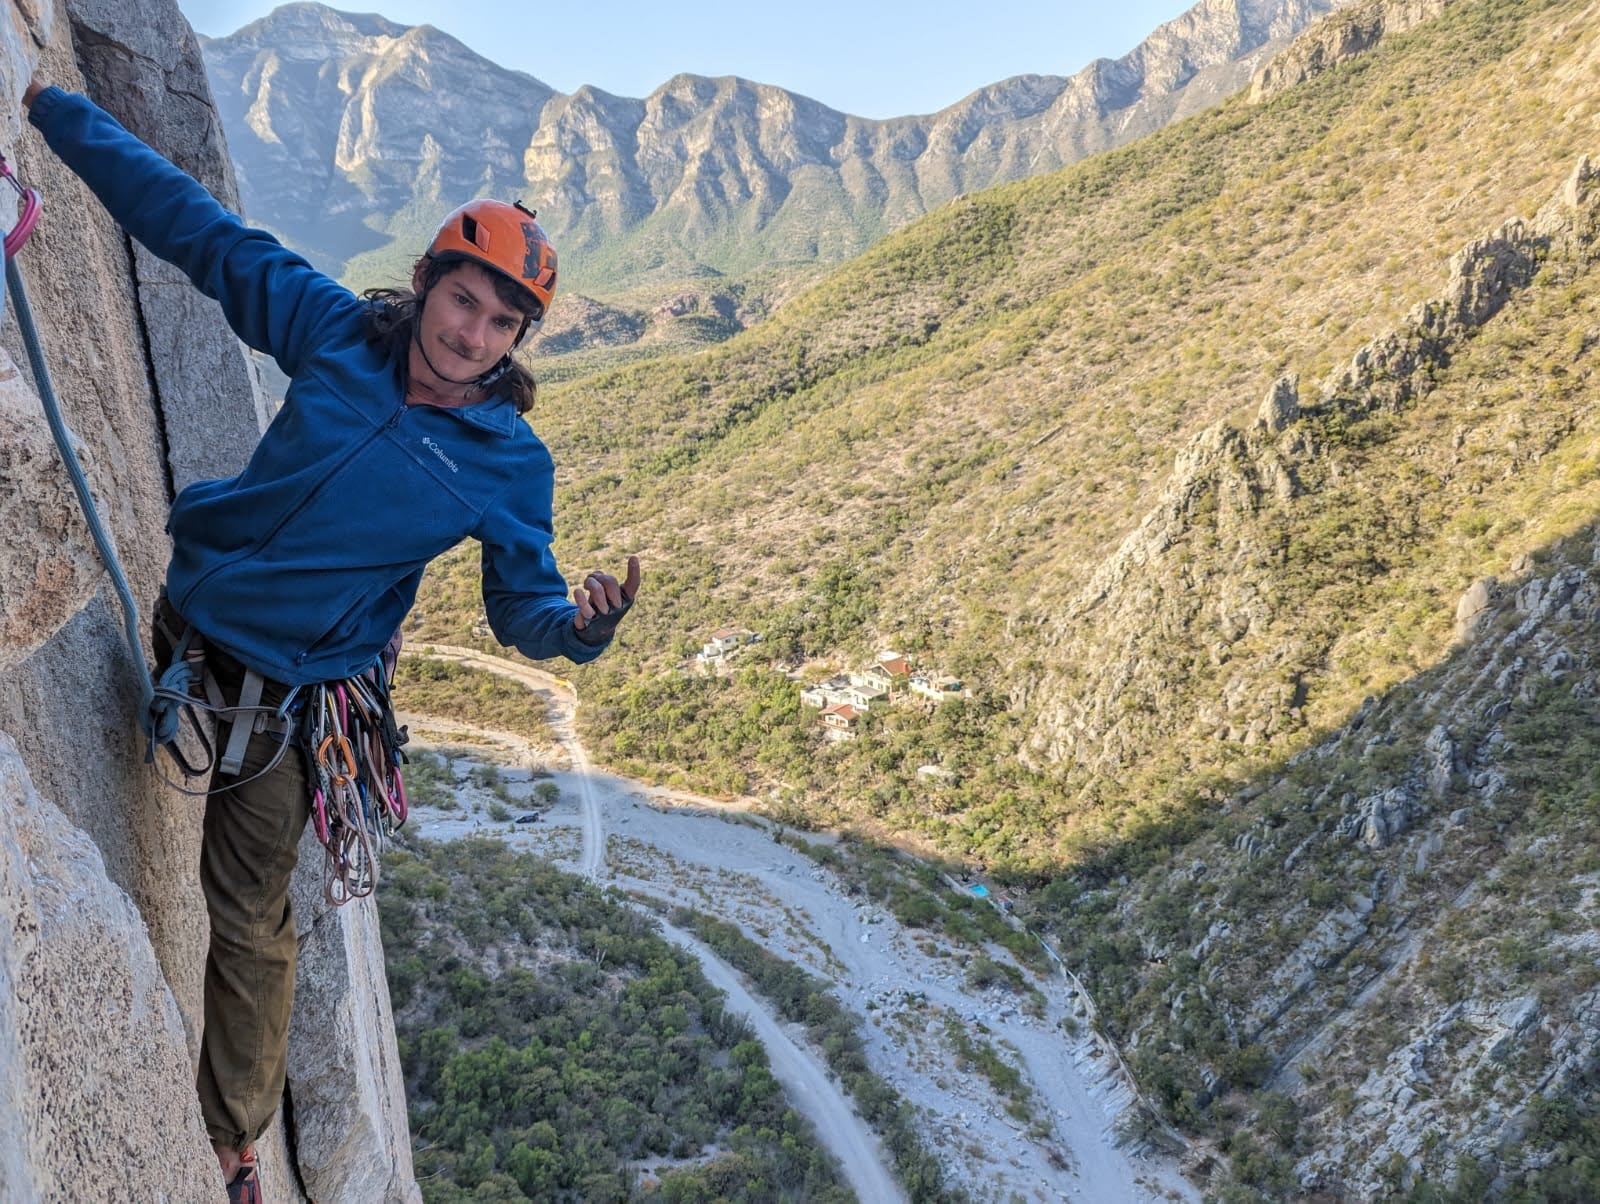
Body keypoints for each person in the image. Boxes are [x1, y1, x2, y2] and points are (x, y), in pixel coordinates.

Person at [23, 77, 640, 1202]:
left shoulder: (509, 466)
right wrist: (51, 109)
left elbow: (522, 609)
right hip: (195, 619)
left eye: (504, 323)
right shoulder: (335, 334)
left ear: (520, 339)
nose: (475, 334)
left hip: (292, 695)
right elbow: (196, 232)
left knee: (253, 917)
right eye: (464, 303)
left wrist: (581, 631)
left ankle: (229, 1143)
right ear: (427, 288)